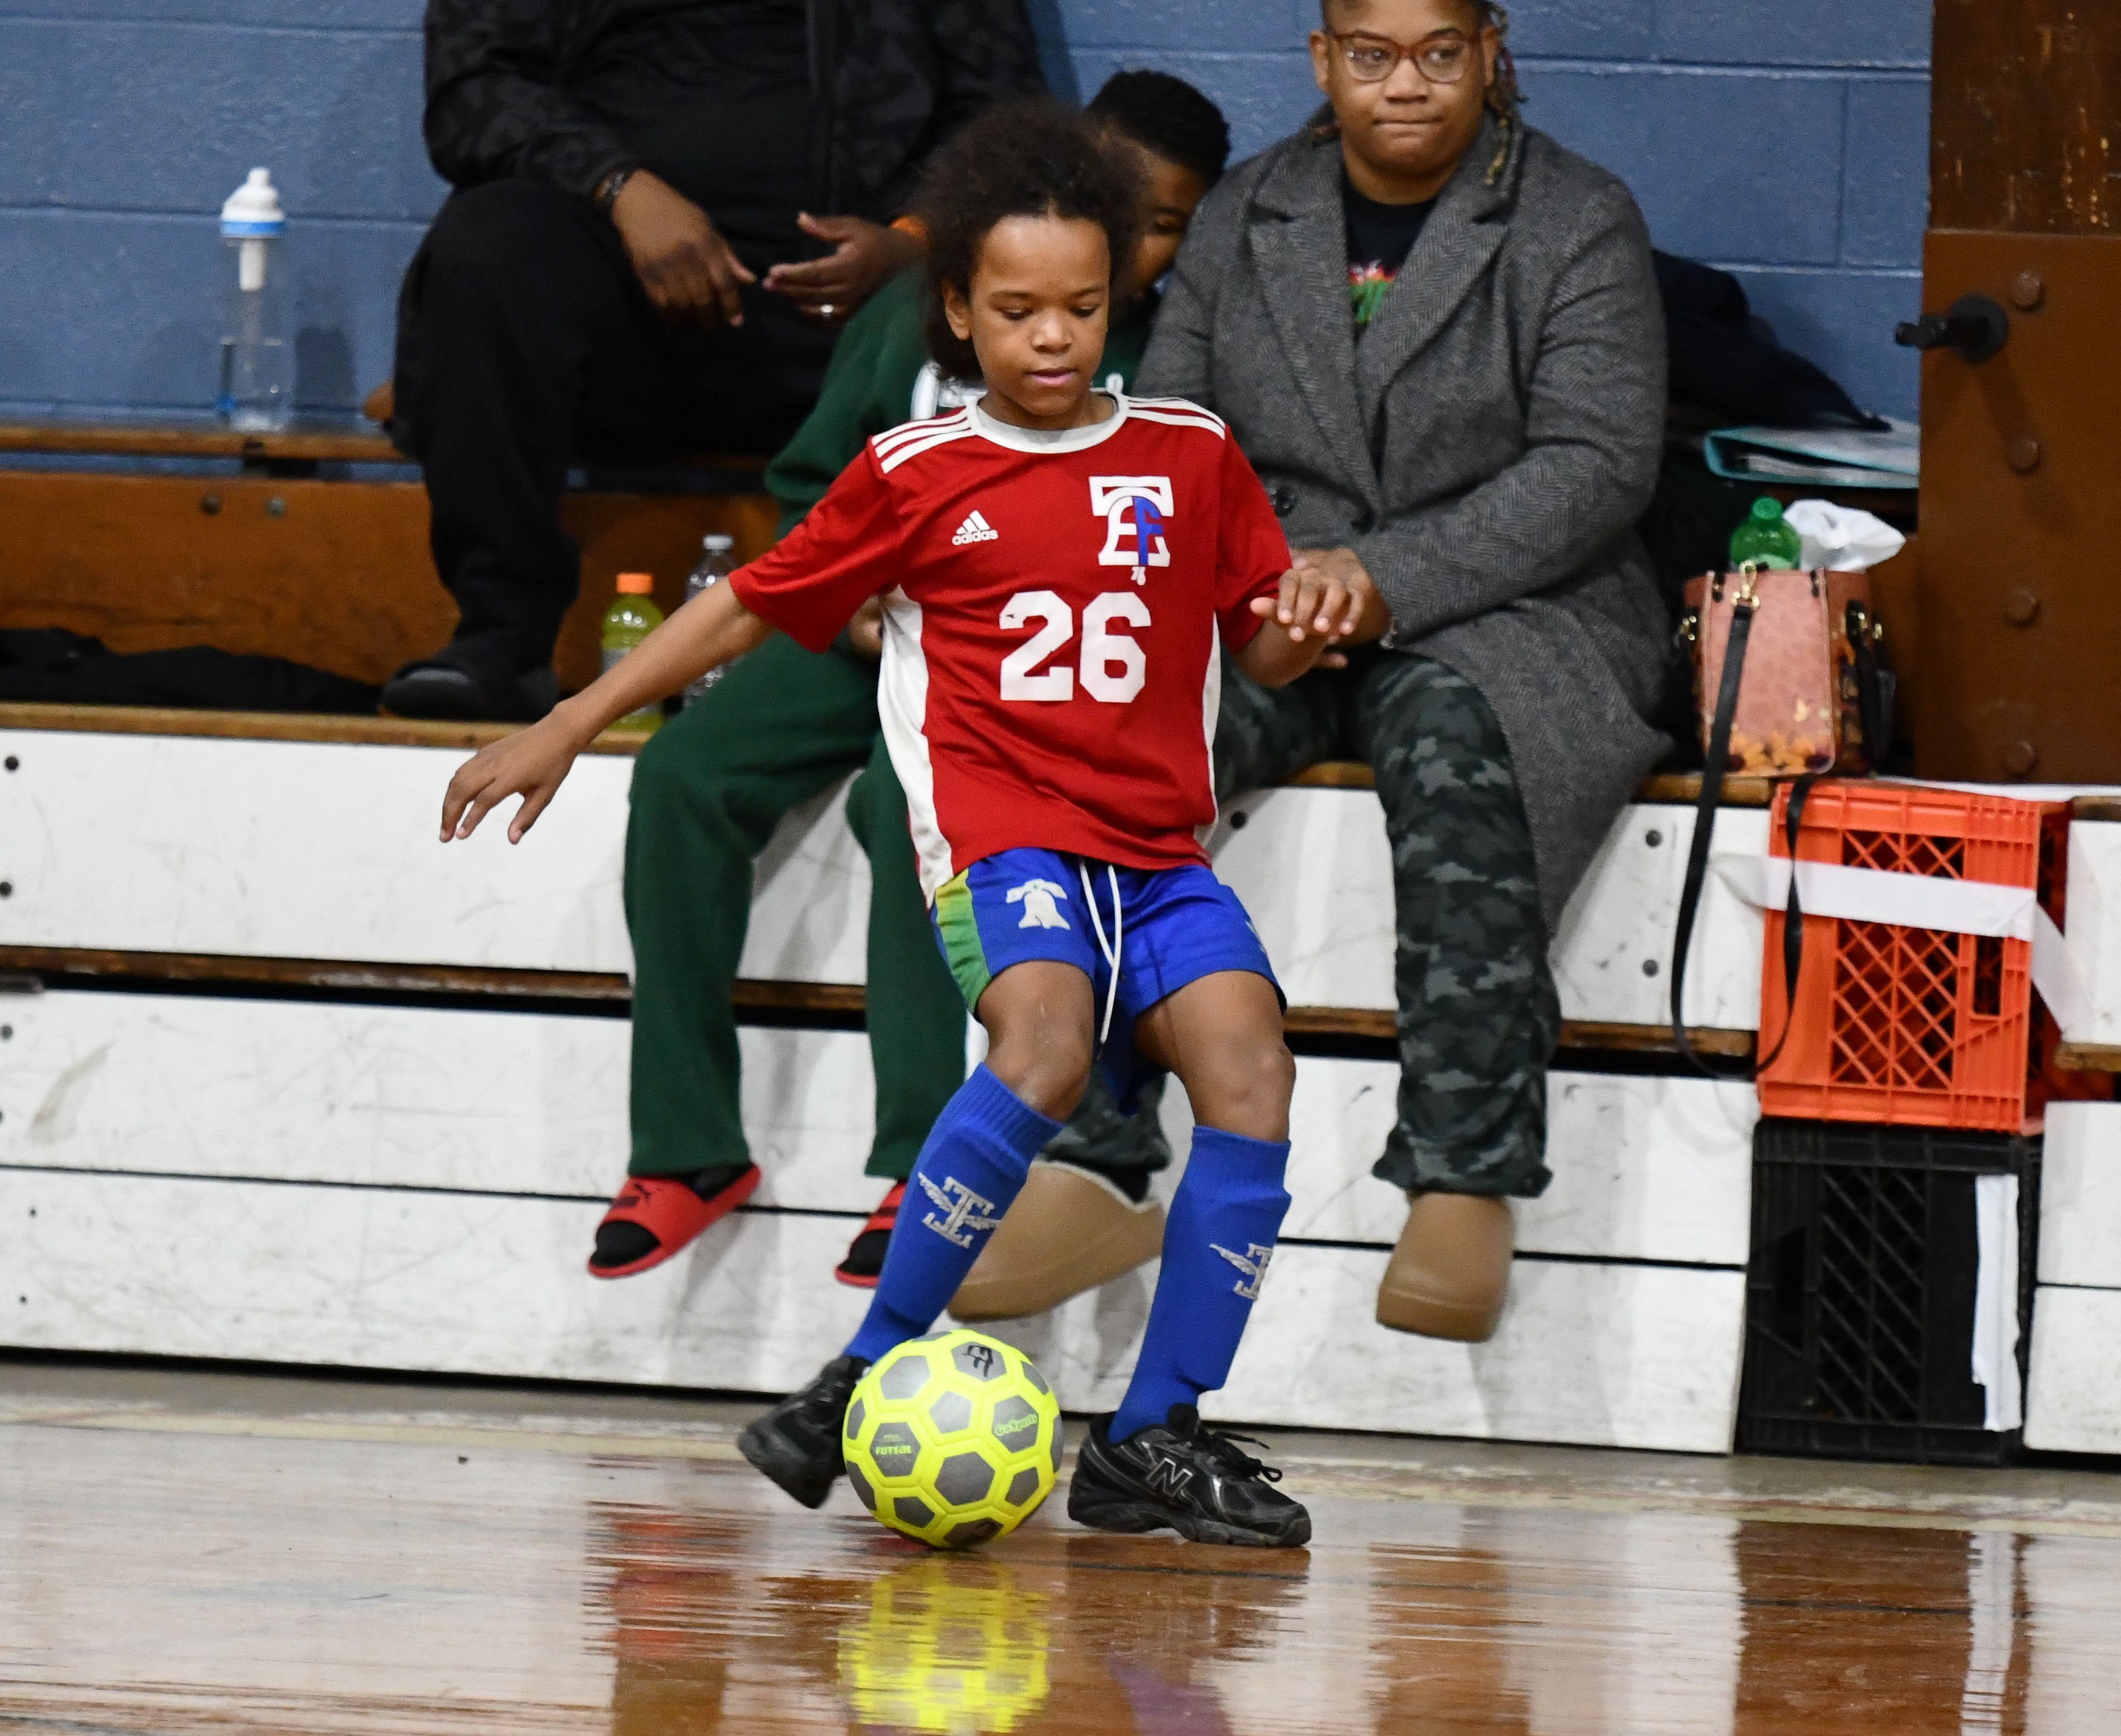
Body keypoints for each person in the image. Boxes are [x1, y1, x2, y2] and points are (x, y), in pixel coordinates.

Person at [439, 99, 1361, 1546]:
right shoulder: (914, 472)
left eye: (1080, 308)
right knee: (1044, 1049)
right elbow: (743, 605)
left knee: (1251, 1073)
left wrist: (1308, 615)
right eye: (1016, 311)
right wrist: (569, 721)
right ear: (956, 310)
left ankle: (1151, 1436)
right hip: (1005, 837)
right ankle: (854, 1377)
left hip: (1154, 855)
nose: (1051, 338)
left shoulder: (1189, 453)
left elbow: (1260, 645)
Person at [596, 71, 1233, 1312]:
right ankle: (684, 1145)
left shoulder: (1156, 364)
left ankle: (919, 1165)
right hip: (864, 633)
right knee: (681, 771)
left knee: (910, 799)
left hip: (1021, 677)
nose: (1122, 243)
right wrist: (849, 601)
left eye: (1160, 225)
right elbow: (812, 490)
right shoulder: (914, 316)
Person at [1134, 0, 1671, 1342]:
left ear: (1488, 50)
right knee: (1134, 748)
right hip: (1271, 591)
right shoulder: (1245, 213)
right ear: (1323, 61)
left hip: (1506, 603)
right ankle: (1084, 1147)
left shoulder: (1575, 217)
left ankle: (1462, 1173)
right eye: (1371, 56)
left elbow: (1595, 463)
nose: (1407, 85)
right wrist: (1265, 580)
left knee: (1456, 741)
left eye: (1438, 53)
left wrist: (1385, 577)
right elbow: (1173, 434)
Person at [381, 0, 1044, 722]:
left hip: (845, 320)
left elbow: (1005, 119)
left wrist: (910, 243)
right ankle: (502, 643)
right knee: (483, 249)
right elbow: (472, 91)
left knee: (972, 304)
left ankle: (918, 672)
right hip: (620, 303)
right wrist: (617, 186)